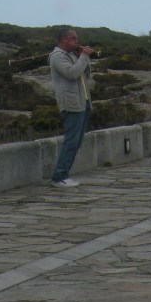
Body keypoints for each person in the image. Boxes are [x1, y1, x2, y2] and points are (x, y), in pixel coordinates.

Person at [49, 27, 98, 188]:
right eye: (73, 39)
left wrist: (82, 58)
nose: (76, 42)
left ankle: (64, 174)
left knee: (76, 141)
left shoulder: (70, 55)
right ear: (64, 40)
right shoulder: (57, 57)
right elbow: (71, 73)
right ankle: (59, 176)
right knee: (71, 141)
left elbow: (84, 74)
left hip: (82, 102)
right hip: (71, 104)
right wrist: (84, 56)